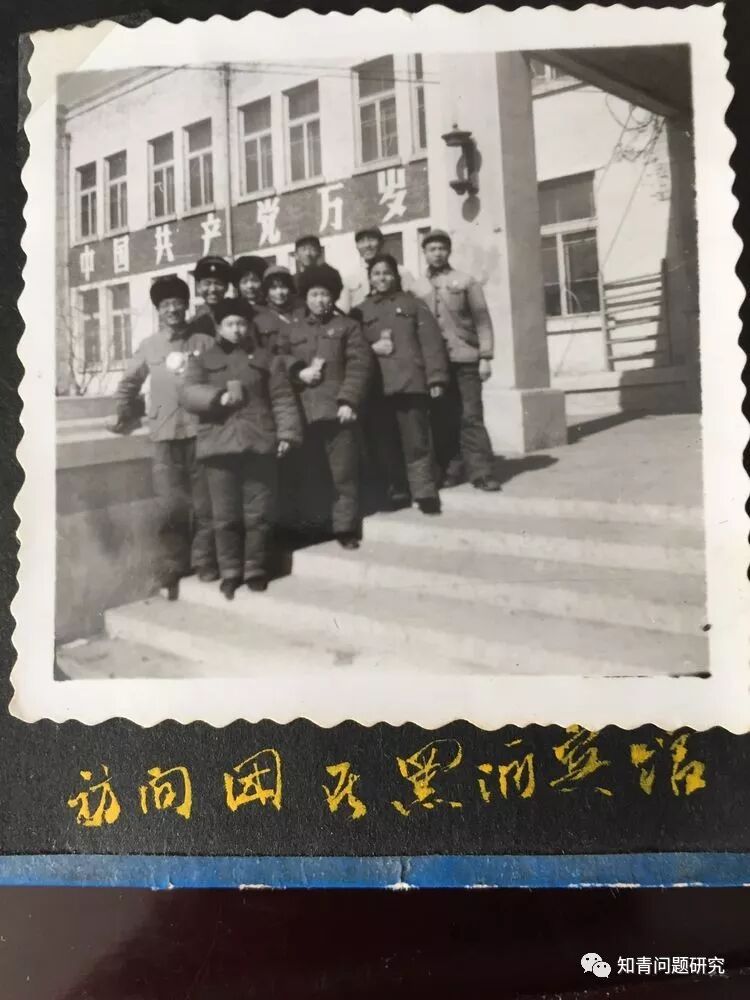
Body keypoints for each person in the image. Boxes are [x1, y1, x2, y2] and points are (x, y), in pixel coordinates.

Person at [180, 298, 303, 599]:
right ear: (219, 328)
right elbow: (188, 393)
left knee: (258, 512)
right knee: (224, 516)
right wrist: (217, 397)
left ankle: (255, 569)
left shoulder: (265, 359)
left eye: (241, 324)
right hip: (218, 446)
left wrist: (287, 434)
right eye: (230, 324)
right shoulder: (202, 360)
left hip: (258, 442)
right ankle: (231, 571)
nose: (236, 329)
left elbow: (282, 398)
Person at [111, 275, 218, 599]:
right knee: (170, 506)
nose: (173, 310)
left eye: (178, 303)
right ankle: (172, 568)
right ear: (159, 310)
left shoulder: (205, 342)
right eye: (166, 305)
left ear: (186, 306)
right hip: (164, 436)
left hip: (201, 433)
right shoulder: (149, 346)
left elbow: (222, 378)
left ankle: (205, 561)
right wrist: (123, 413)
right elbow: (129, 383)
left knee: (206, 503)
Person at [283, 263, 372, 549]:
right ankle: (318, 527)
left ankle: (345, 528)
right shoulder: (294, 330)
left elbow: (359, 365)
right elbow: (279, 358)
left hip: (337, 412)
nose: (320, 300)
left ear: (333, 296)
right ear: (305, 298)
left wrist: (349, 401)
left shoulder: (348, 327)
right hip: (305, 413)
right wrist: (298, 372)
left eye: (325, 294)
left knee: (343, 473)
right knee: (312, 474)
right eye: (314, 295)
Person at [353, 254, 448, 514]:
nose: (382, 278)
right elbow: (354, 348)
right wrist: (372, 348)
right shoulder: (360, 311)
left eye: (387, 273)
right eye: (376, 274)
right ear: (370, 278)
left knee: (416, 439)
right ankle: (398, 490)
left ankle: (424, 491)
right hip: (378, 387)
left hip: (410, 382)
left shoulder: (413, 304)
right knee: (385, 442)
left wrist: (436, 377)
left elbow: (431, 343)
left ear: (395, 276)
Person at [413, 229, 501, 492]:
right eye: (432, 249)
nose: (437, 253)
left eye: (442, 248)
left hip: (466, 358)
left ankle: (482, 472)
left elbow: (482, 321)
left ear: (449, 251)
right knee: (442, 418)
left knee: (471, 416)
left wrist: (485, 356)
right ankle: (451, 469)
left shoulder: (466, 281)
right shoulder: (417, 287)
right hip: (435, 364)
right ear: (424, 253)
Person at [340, 226, 414, 313]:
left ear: (381, 242)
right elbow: (343, 311)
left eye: (371, 239)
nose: (367, 245)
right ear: (356, 246)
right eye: (361, 241)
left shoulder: (402, 272)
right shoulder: (350, 279)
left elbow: (413, 305)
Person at [253, 265, 304, 355]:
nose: (279, 292)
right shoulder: (259, 318)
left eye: (283, 287)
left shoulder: (302, 313)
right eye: (273, 288)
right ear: (267, 291)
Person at [185, 255, 233, 337]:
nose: (213, 289)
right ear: (198, 287)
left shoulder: (237, 318)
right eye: (207, 283)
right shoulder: (193, 323)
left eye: (218, 283)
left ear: (226, 287)